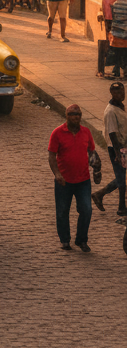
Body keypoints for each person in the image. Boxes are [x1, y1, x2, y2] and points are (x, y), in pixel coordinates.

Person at [48, 102, 97, 251]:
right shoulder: (57, 133)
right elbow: (52, 156)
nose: (76, 117)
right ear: (66, 116)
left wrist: (97, 168)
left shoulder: (86, 132)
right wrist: (57, 174)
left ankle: (81, 240)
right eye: (73, 114)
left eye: (78, 114)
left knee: (86, 210)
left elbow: (92, 152)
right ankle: (65, 240)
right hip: (64, 181)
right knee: (62, 211)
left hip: (83, 180)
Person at [92, 81, 127, 217]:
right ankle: (121, 207)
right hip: (116, 149)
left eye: (122, 91)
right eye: (117, 92)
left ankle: (99, 194)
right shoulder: (110, 111)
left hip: (123, 147)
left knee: (121, 177)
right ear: (112, 93)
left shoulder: (120, 106)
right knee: (121, 178)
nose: (121, 94)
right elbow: (112, 134)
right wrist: (118, 154)